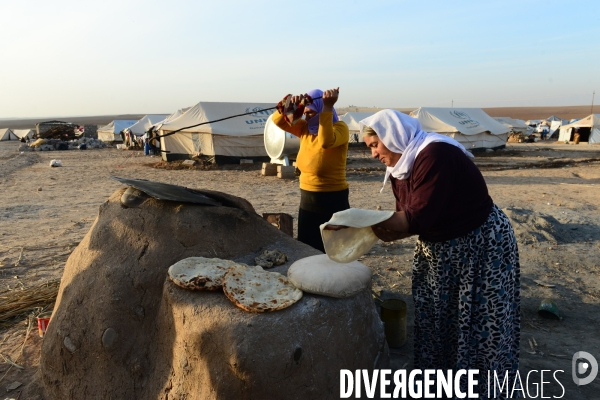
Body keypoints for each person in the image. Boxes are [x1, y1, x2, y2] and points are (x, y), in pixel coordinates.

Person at [327, 109, 521, 398]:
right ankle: (444, 386)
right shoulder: (401, 165)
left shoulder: (434, 155)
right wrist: (379, 231)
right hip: (441, 249)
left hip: (479, 247)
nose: (372, 154)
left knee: (479, 323)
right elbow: (406, 218)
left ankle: (481, 390)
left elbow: (415, 219)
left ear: (391, 137)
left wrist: (358, 220)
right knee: (439, 321)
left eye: (374, 146)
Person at [272, 88, 350, 252]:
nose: (307, 117)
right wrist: (293, 105)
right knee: (309, 246)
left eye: (311, 113)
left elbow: (326, 142)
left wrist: (327, 108)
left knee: (334, 248)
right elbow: (277, 120)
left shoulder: (340, 128)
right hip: (308, 196)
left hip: (333, 197)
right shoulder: (304, 129)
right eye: (305, 113)